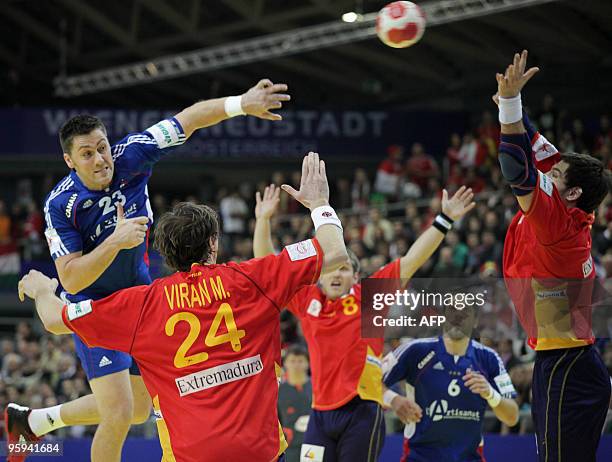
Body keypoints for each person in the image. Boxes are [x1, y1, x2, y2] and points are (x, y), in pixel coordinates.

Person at [4, 79, 291, 462]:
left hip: (139, 294)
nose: (101, 160)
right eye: (86, 154)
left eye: (102, 147)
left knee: (140, 408)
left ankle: (34, 422)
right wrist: (115, 241)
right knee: (120, 412)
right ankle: (33, 422)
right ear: (70, 161)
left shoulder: (132, 154)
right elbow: (71, 277)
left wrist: (242, 102)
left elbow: (188, 119)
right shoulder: (61, 205)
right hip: (95, 302)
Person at [15, 152, 348, 462]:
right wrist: (319, 204)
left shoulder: (142, 306)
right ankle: (36, 421)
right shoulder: (251, 279)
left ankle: (37, 421)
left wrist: (42, 289)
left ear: (166, 254)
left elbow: (56, 320)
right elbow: (335, 253)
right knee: (126, 407)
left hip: (189, 456)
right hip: (259, 453)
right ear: (214, 244)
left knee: (128, 408)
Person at [253, 184, 476, 462]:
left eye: (344, 269)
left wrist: (445, 220)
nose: (336, 274)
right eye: (331, 269)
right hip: (320, 415)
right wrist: (263, 220)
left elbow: (410, 262)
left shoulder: (368, 298)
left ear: (356, 278)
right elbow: (267, 267)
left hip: (361, 411)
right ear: (319, 276)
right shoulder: (308, 300)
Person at [495, 50, 612, 461]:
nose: (550, 171)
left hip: (566, 366)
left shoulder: (557, 224)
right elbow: (531, 145)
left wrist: (509, 107)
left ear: (573, 192)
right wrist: (511, 101)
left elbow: (515, 167)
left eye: (556, 175)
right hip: (568, 361)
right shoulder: (573, 201)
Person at [382, 303, 519, 461]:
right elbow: (367, 382)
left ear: (475, 321)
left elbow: (512, 416)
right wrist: (393, 399)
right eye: (452, 310)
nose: (457, 317)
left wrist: (491, 393)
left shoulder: (489, 358)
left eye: (465, 312)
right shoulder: (415, 350)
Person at [279, 345, 312, 462]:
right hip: (290, 448)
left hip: (314, 446)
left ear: (308, 363)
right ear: (285, 363)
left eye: (300, 361)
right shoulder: (278, 391)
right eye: (292, 361)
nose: (296, 365)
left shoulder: (317, 387)